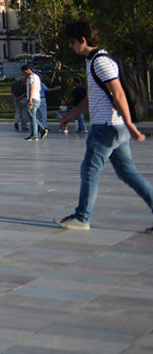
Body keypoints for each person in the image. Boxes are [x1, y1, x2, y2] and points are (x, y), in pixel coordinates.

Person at [56, 19, 153, 232]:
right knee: (128, 174)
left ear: (83, 40)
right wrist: (72, 114)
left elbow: (118, 93)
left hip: (106, 127)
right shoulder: (94, 60)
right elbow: (94, 96)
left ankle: (82, 217)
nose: (70, 46)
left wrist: (130, 124)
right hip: (113, 127)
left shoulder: (100, 62)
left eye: (72, 41)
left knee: (89, 171)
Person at [22, 63, 47, 140]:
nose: (24, 74)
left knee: (32, 117)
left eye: (24, 73)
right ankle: (41, 130)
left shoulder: (31, 77)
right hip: (37, 98)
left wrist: (30, 99)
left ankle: (35, 134)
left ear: (26, 70)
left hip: (32, 99)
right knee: (33, 116)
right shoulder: (37, 77)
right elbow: (39, 88)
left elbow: (31, 87)